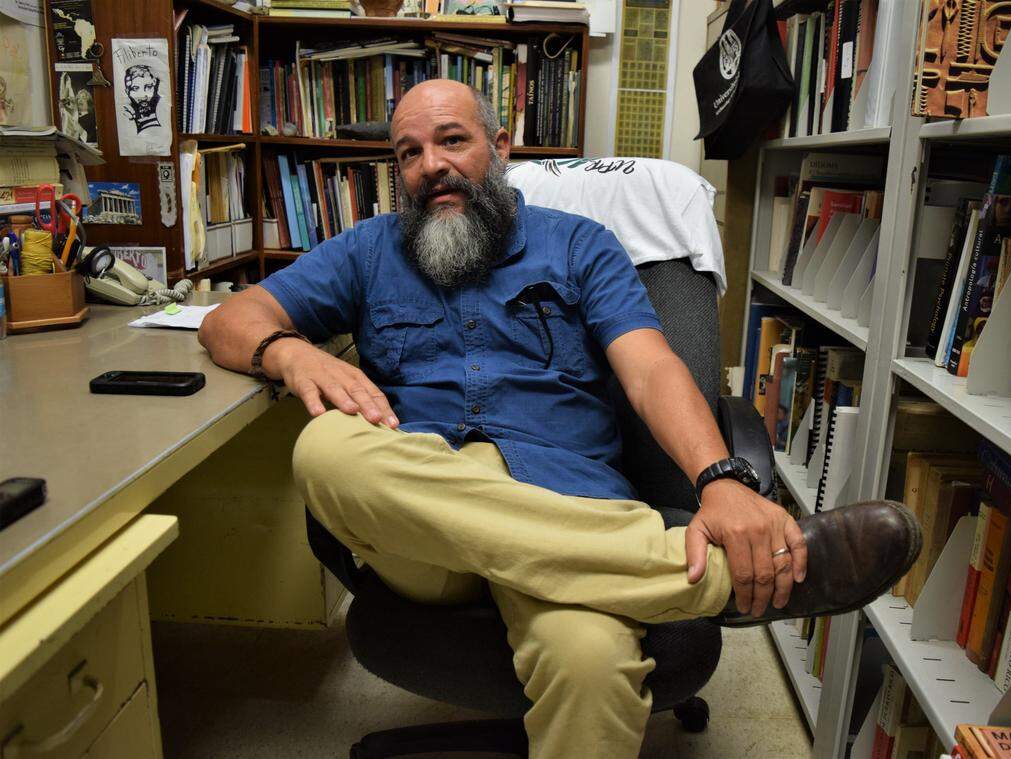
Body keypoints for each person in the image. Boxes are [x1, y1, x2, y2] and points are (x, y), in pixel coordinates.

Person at [198, 79, 916, 759]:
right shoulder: (368, 249)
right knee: (325, 448)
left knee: (593, 663)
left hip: (567, 498)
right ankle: (716, 579)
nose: (431, 166)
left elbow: (651, 368)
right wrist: (289, 353)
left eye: (452, 140)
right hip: (425, 537)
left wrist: (721, 478)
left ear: (501, 148)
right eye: (409, 153)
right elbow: (230, 319)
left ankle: (663, 572)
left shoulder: (579, 244)